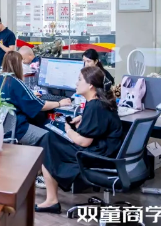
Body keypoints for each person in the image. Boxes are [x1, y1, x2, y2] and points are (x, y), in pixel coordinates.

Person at [35, 66, 122, 214]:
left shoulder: (95, 106)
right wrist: (83, 118)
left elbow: (83, 142)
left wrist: (68, 130)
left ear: (90, 85)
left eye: (80, 80)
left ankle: (52, 200)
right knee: (50, 141)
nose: (76, 83)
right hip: (107, 152)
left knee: (47, 143)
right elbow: (99, 123)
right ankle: (51, 198)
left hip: (98, 156)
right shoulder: (99, 102)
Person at [0, 52, 71, 146]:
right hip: (17, 129)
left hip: (2, 127)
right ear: (18, 65)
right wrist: (60, 103)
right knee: (48, 136)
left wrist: (30, 95)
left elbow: (14, 97)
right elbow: (41, 106)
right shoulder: (16, 82)